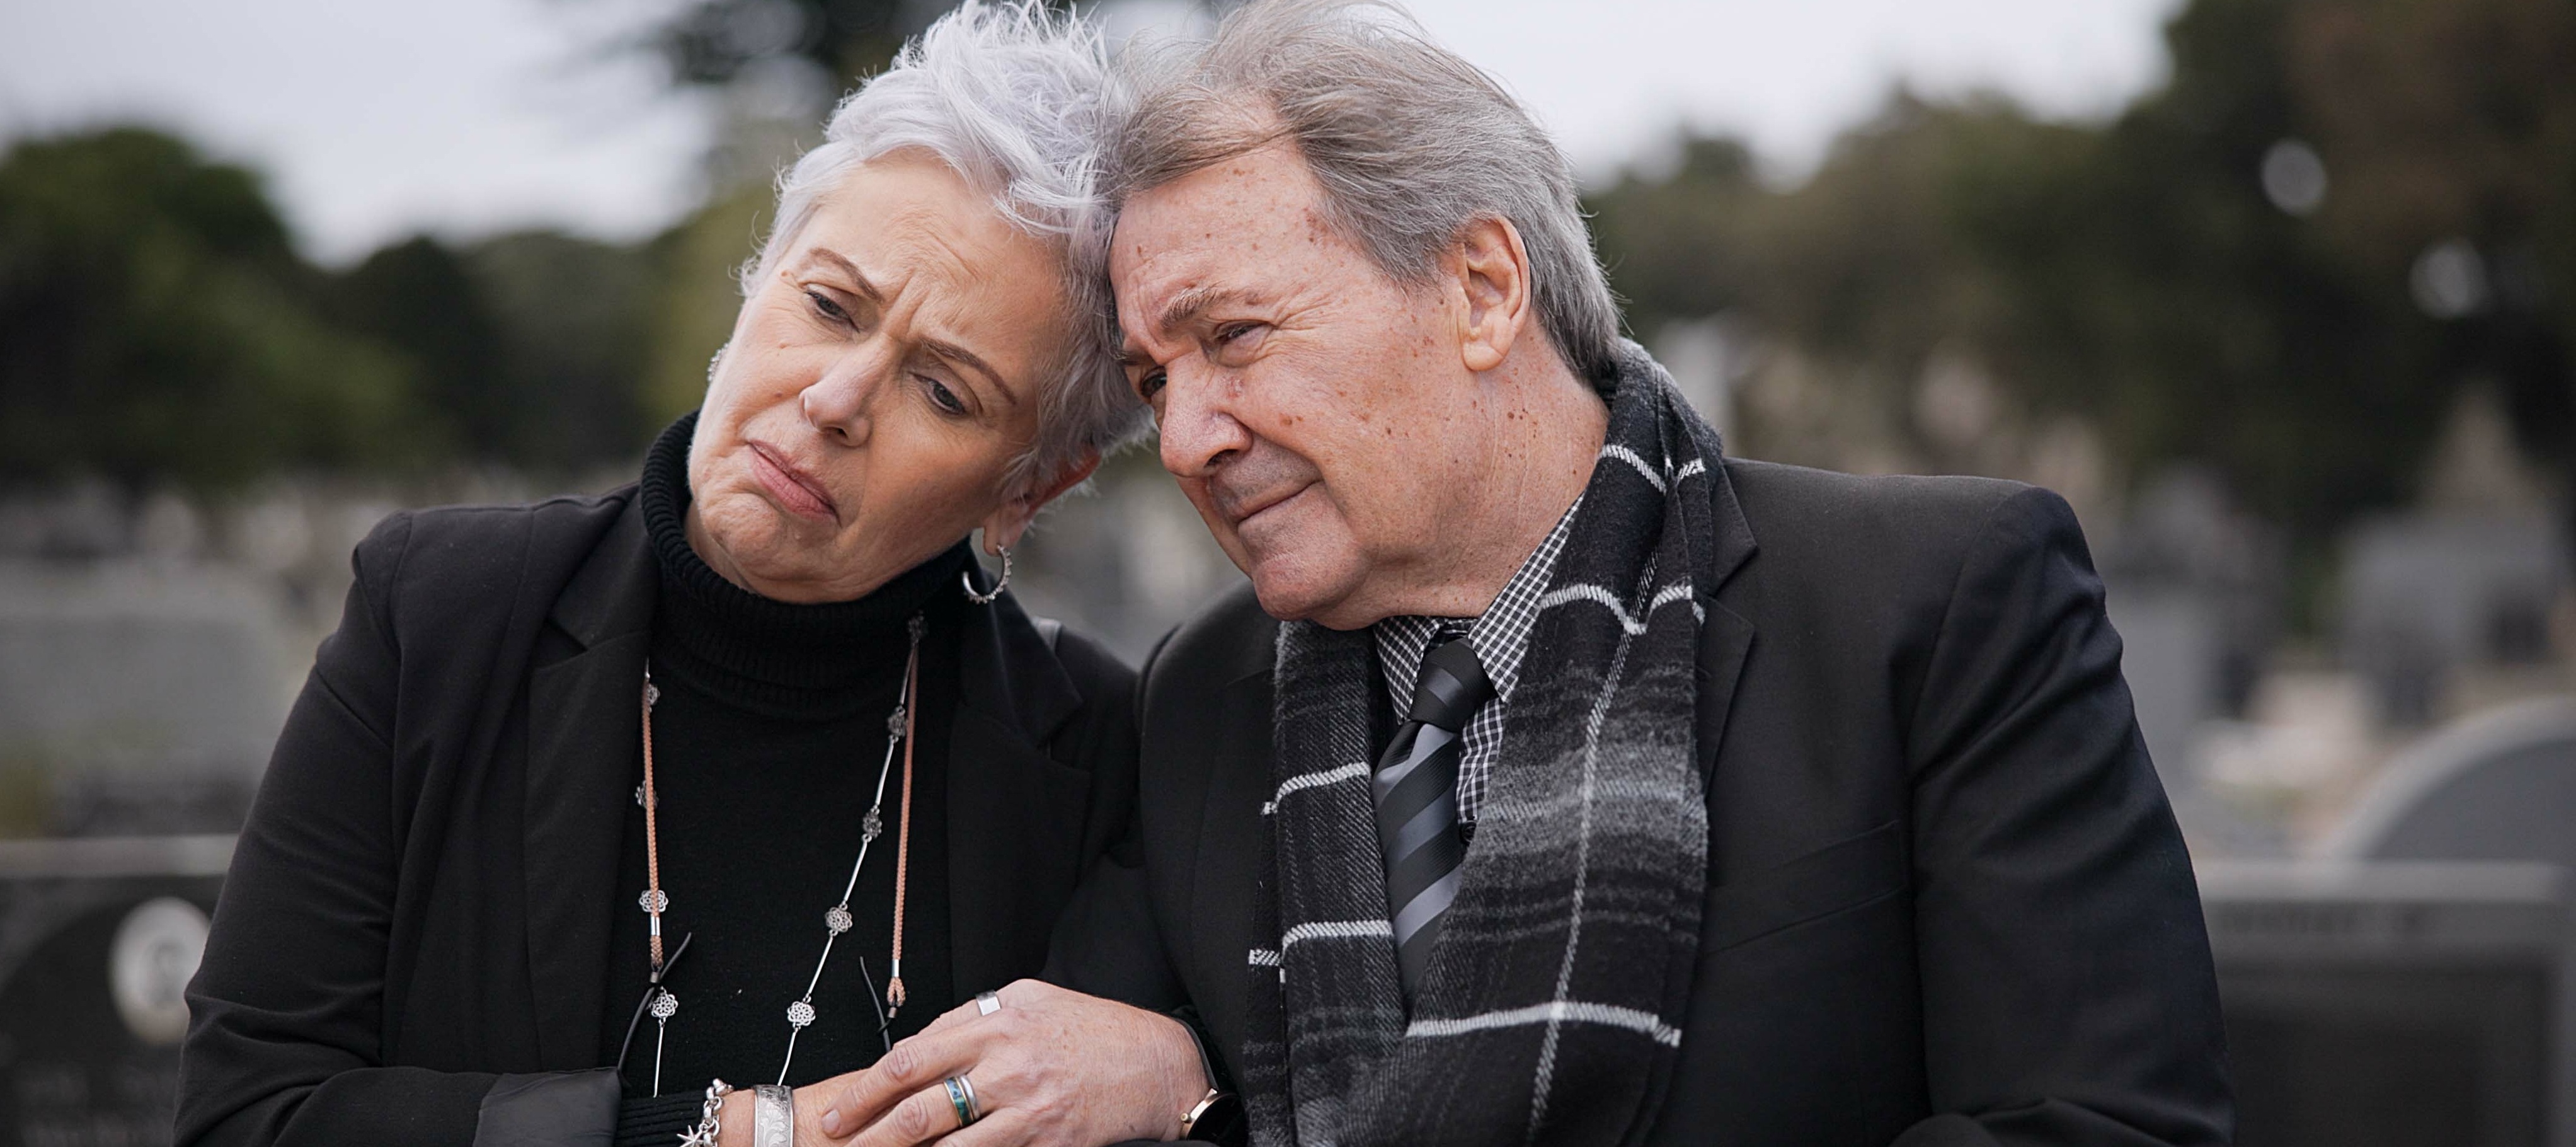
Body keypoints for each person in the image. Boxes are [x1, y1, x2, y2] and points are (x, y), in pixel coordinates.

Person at [812, 2, 2235, 1145]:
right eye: (1151, 378)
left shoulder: (1929, 603)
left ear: (1483, 290)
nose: (1187, 438)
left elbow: (2094, 1121)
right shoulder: (1200, 695)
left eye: (1233, 337)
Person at [174, 5, 1157, 1144]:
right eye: (827, 305)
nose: (834, 399)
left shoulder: (1095, 752)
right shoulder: (438, 612)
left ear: (1030, 485)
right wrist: (742, 1134)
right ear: (757, 278)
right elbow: (247, 1113)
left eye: (943, 392)